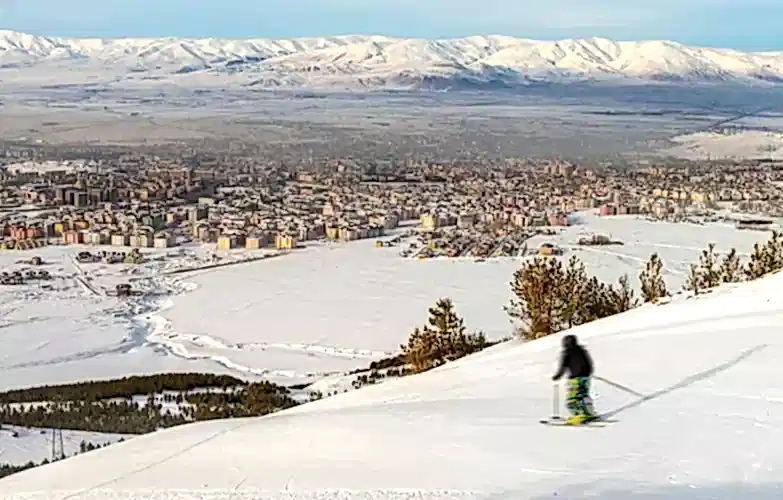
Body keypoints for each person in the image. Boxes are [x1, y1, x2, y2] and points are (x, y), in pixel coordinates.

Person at [552, 334, 596, 424]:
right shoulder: (582, 350)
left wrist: (557, 376)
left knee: (573, 399)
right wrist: (588, 374)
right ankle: (589, 413)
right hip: (585, 378)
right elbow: (589, 364)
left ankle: (580, 414)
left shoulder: (566, 353)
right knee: (583, 395)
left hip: (575, 379)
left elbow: (563, 366)